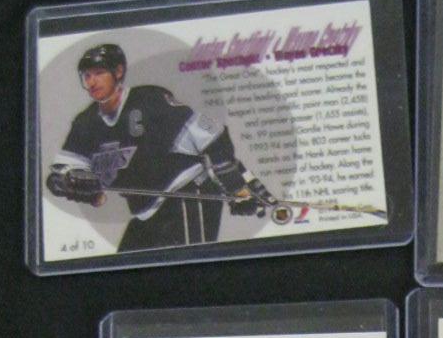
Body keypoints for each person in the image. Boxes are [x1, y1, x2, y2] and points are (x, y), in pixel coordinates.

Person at [46, 43, 278, 253]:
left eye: (99, 73)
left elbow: (213, 134)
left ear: (118, 72)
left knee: (186, 269)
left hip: (188, 191)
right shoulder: (85, 122)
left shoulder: (149, 99)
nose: (92, 82)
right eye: (86, 76)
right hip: (147, 209)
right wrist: (70, 182)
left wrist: (237, 187)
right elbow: (59, 175)